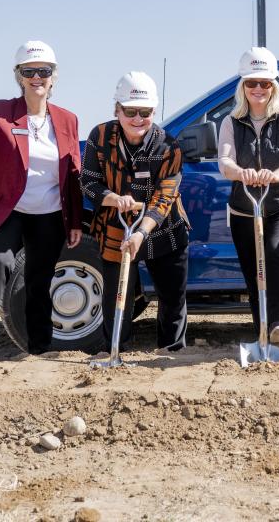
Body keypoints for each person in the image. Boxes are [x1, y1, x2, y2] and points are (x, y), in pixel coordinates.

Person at [0, 40, 83, 356]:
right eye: (30, 71)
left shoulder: (67, 120)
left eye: (43, 71)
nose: (37, 77)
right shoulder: (0, 112)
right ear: (20, 76)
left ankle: (40, 349)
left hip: (51, 213)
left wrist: (76, 221)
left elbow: (74, 173)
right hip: (8, 209)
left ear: (53, 76)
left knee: (38, 281)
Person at [81, 71, 190, 352]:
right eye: (130, 111)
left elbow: (164, 197)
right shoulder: (100, 137)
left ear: (154, 110)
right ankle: (116, 347)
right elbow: (89, 182)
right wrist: (113, 199)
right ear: (117, 109)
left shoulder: (169, 146)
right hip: (116, 225)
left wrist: (142, 232)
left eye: (145, 112)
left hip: (163, 227)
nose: (138, 118)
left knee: (172, 294)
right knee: (117, 293)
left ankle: (171, 350)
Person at [218, 47, 279, 345]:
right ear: (242, 86)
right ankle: (263, 333)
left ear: (274, 86)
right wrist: (242, 173)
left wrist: (276, 174)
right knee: (253, 269)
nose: (258, 89)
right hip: (245, 207)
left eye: (265, 83)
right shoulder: (231, 122)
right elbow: (225, 163)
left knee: (272, 250)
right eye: (252, 82)